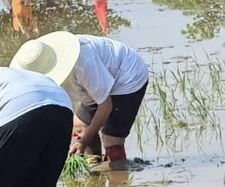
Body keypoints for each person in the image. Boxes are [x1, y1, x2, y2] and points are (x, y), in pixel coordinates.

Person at [9, 31, 149, 166]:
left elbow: (105, 106)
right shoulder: (46, 65)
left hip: (127, 76)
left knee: (111, 140)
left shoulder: (84, 63)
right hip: (98, 81)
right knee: (80, 126)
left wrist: (83, 142)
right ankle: (94, 166)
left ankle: (119, 177)